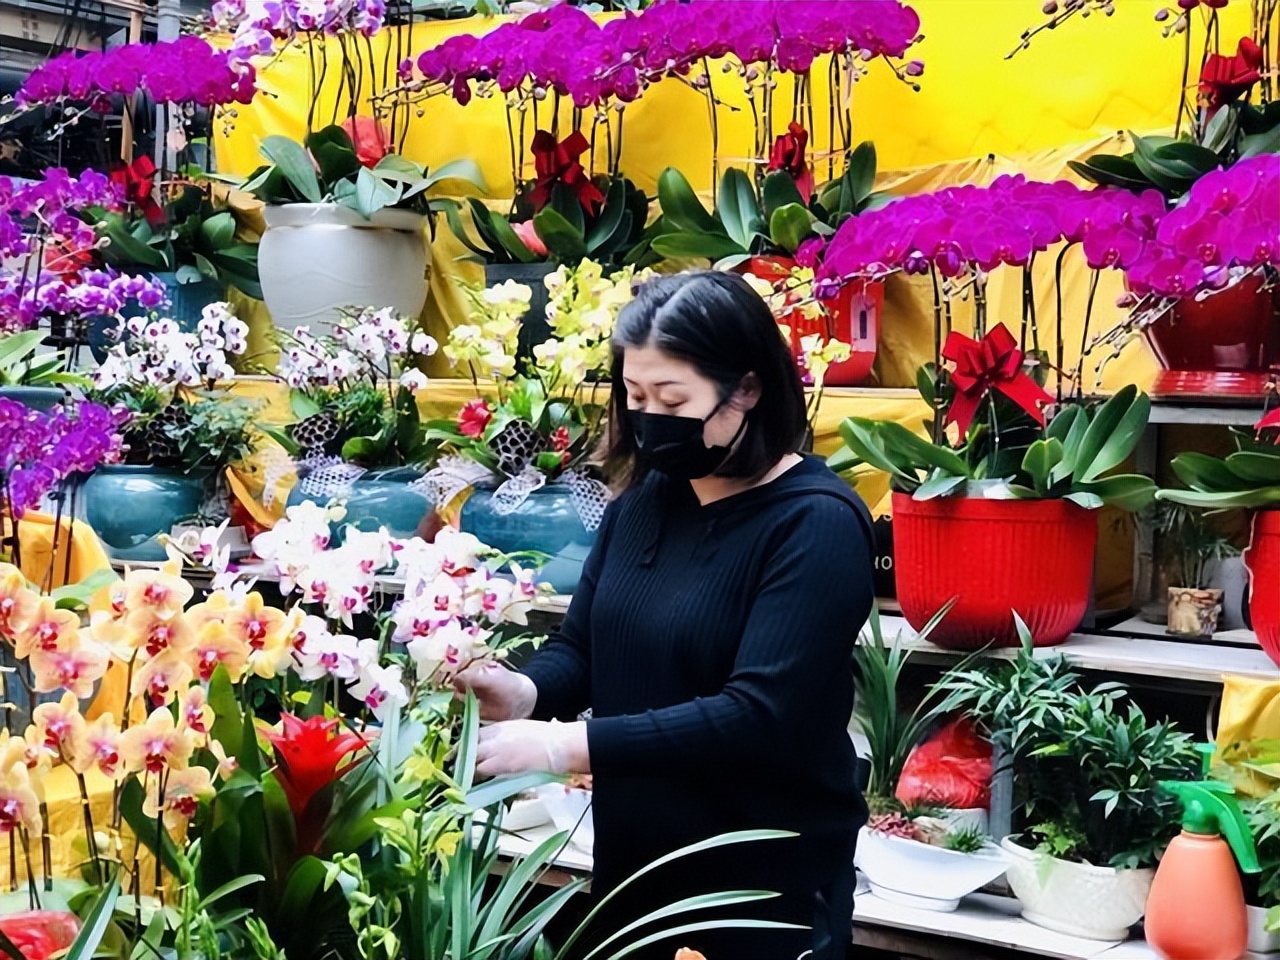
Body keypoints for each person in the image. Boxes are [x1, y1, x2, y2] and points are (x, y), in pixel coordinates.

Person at [455, 271, 875, 960]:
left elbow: (758, 714)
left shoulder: (815, 525)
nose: (651, 419)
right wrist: (524, 692)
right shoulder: (646, 501)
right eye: (636, 396)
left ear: (746, 388)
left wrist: (566, 748)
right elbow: (586, 650)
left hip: (759, 894)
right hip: (637, 877)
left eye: (672, 399)